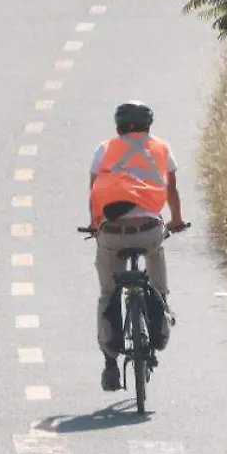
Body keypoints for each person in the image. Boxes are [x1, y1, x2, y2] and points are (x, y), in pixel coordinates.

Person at [86, 100, 188, 392]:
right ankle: (160, 305)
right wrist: (177, 220)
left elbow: (93, 192)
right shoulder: (162, 148)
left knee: (108, 294)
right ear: (148, 124)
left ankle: (109, 362)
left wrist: (95, 225)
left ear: (118, 125)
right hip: (148, 230)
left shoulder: (103, 150)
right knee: (156, 262)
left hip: (112, 232)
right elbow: (171, 189)